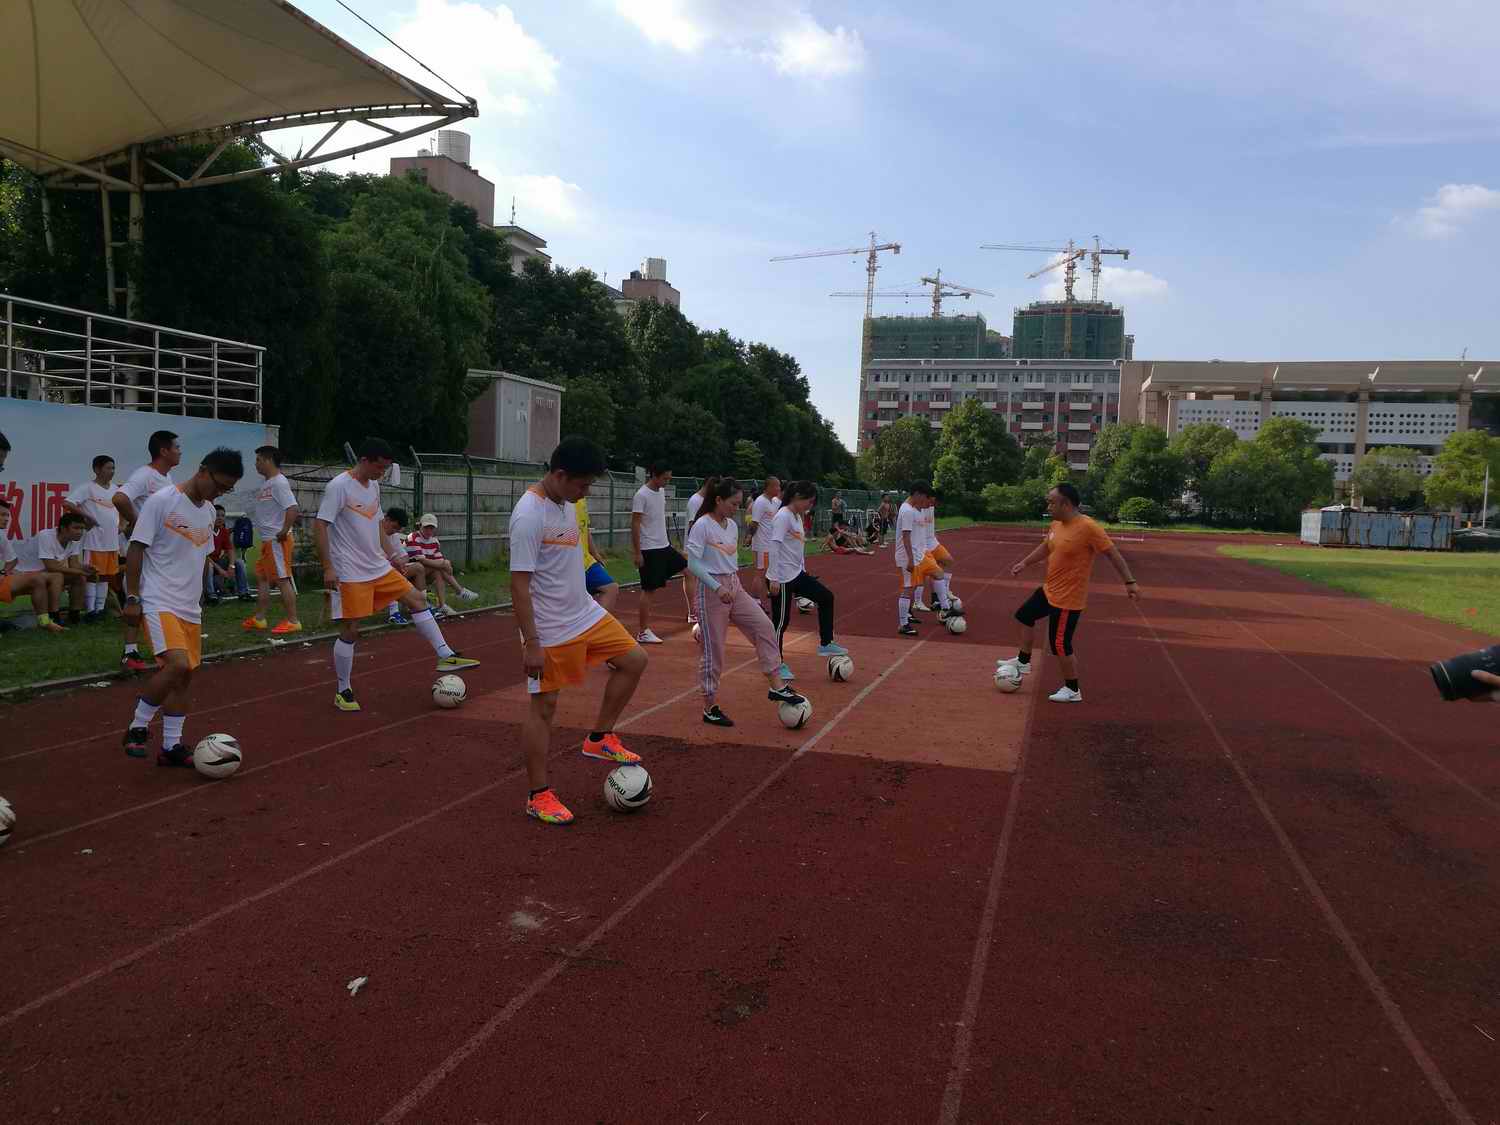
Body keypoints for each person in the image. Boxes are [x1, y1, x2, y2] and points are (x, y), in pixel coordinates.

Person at [511, 436, 648, 825]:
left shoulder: (568, 502)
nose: (585, 493)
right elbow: (518, 585)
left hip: (584, 613)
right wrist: (532, 642)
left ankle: (599, 738)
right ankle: (538, 795)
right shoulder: (528, 515)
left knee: (635, 659)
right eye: (582, 485)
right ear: (559, 475)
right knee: (544, 707)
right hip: (549, 627)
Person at [316, 438, 479, 712]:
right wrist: (328, 567)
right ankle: (343, 689)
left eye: (385, 468)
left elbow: (378, 526)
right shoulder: (338, 487)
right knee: (351, 630)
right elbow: (320, 525)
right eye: (379, 467)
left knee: (418, 599)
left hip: (377, 566)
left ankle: (445, 655)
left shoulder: (374, 486)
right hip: (350, 570)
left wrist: (395, 555)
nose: (382, 473)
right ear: (365, 460)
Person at [120, 449, 245, 764]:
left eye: (227, 490)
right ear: (203, 471)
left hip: (190, 606)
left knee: (184, 677)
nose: (220, 493)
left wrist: (201, 598)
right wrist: (132, 597)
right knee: (176, 665)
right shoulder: (162, 501)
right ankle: (137, 727)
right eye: (219, 485)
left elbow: (201, 557)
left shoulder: (208, 512)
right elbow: (136, 548)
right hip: (159, 599)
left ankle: (171, 748)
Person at [997, 482, 1140, 703]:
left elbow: (1112, 554)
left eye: (1051, 502)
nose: (1048, 506)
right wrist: (1025, 563)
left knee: (1060, 645)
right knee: (1024, 616)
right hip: (1049, 590)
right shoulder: (1056, 524)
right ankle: (1023, 662)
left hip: (1068, 599)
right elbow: (1046, 546)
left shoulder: (1088, 527)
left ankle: (1073, 689)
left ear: (1066, 504)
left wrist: (1129, 582)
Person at [686, 478, 807, 727]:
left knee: (764, 626)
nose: (737, 509)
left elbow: (728, 561)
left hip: (734, 586)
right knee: (714, 652)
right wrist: (717, 587)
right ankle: (709, 707)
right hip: (712, 591)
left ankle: (776, 685)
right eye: (733, 503)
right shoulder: (702, 525)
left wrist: (729, 586)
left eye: (739, 504)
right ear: (718, 500)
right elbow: (693, 563)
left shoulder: (731, 525)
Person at [113, 430, 180, 672]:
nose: (180, 452)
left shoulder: (167, 478)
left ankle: (161, 648)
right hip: (143, 552)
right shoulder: (144, 475)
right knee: (137, 598)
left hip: (161, 553)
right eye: (176, 447)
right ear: (164, 451)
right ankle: (130, 653)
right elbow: (120, 499)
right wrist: (139, 523)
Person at [767, 480, 848, 679]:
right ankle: (776, 664)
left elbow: (796, 547)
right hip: (781, 578)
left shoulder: (797, 517)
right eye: (809, 501)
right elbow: (774, 547)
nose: (810, 506)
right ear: (797, 496)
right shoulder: (783, 516)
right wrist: (774, 578)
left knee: (826, 597)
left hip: (796, 574)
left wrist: (802, 569)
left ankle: (826, 643)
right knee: (780, 622)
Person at [243, 445, 302, 636]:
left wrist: (283, 531)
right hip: (268, 541)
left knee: (282, 579)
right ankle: (260, 618)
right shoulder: (267, 484)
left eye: (258, 460)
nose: (256, 464)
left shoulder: (279, 483)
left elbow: (292, 508)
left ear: (268, 460)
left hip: (277, 541)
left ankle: (293, 621)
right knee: (262, 578)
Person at [631, 464, 687, 644]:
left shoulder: (661, 492)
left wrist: (669, 543)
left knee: (689, 570)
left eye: (669, 478)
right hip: (649, 548)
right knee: (649, 589)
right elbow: (635, 524)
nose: (667, 481)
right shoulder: (641, 495)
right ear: (654, 475)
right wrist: (637, 552)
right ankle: (642, 631)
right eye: (665, 478)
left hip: (664, 546)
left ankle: (695, 612)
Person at [63, 454, 122, 622]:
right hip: (94, 540)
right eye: (108, 468)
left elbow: (123, 508)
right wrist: (87, 517)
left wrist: (122, 525)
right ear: (97, 469)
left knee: (105, 576)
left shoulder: (115, 490)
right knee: (92, 575)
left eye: (113, 468)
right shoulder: (87, 488)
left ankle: (100, 609)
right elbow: (68, 503)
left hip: (112, 541)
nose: (112, 471)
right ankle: (90, 611)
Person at [0, 499, 65, 633]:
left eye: (7, 515)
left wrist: (3, 572)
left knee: (37, 579)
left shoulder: (1, 534)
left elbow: (12, 560)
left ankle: (45, 622)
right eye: (2, 515)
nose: (6, 519)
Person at [16, 512, 91, 625]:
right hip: (24, 573)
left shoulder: (74, 540)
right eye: (76, 528)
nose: (80, 532)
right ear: (63, 528)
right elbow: (50, 566)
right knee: (57, 576)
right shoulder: (45, 535)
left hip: (45, 574)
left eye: (82, 528)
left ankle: (74, 616)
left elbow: (74, 565)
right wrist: (80, 571)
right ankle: (54, 617)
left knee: (79, 578)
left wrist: (86, 569)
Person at [407, 514, 480, 617]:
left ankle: (443, 605)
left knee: (439, 570)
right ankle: (459, 591)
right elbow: (421, 561)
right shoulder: (413, 538)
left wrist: (445, 564)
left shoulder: (434, 541)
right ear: (420, 526)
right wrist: (444, 564)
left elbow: (439, 559)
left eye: (431, 528)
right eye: (426, 527)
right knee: (439, 567)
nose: (429, 531)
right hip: (411, 574)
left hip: (424, 573)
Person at [894, 485, 943, 637]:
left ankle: (944, 607)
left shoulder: (910, 509)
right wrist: (910, 559)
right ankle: (903, 624)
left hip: (916, 555)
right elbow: (906, 536)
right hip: (907, 556)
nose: (925, 500)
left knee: (935, 575)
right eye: (924, 497)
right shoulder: (907, 511)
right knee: (907, 588)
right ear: (917, 493)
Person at [682, 476, 721, 626]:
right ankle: (693, 611)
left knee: (702, 577)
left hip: (704, 547)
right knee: (691, 576)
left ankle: (700, 609)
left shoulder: (704, 501)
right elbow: (693, 525)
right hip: (694, 547)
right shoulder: (696, 501)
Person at [380, 508, 427, 626]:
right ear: (386, 519)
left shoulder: (393, 536)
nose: (394, 531)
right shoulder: (371, 533)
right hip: (374, 572)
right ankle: (394, 612)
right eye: (394, 527)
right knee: (391, 571)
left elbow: (405, 556)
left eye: (397, 529)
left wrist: (400, 563)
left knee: (418, 567)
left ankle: (423, 605)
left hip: (389, 570)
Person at [576, 494, 618, 612]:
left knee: (611, 588)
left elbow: (585, 528)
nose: (587, 490)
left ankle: (595, 622)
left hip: (586, 560)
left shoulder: (581, 498)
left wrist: (595, 553)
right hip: (569, 563)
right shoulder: (562, 501)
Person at [203, 505, 252, 604]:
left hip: (217, 562)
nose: (220, 518)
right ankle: (211, 595)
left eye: (222, 516)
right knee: (209, 565)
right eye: (217, 515)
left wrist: (231, 566)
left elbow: (230, 550)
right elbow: (204, 556)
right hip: (205, 563)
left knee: (239, 562)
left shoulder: (223, 531)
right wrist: (220, 570)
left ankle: (243, 593)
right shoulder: (205, 531)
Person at [747, 476, 782, 608]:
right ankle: (755, 601)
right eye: (777, 486)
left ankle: (767, 594)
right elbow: (754, 523)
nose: (779, 488)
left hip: (770, 544)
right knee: (760, 573)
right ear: (769, 487)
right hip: (761, 544)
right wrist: (749, 537)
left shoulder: (773, 501)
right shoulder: (761, 502)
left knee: (768, 571)